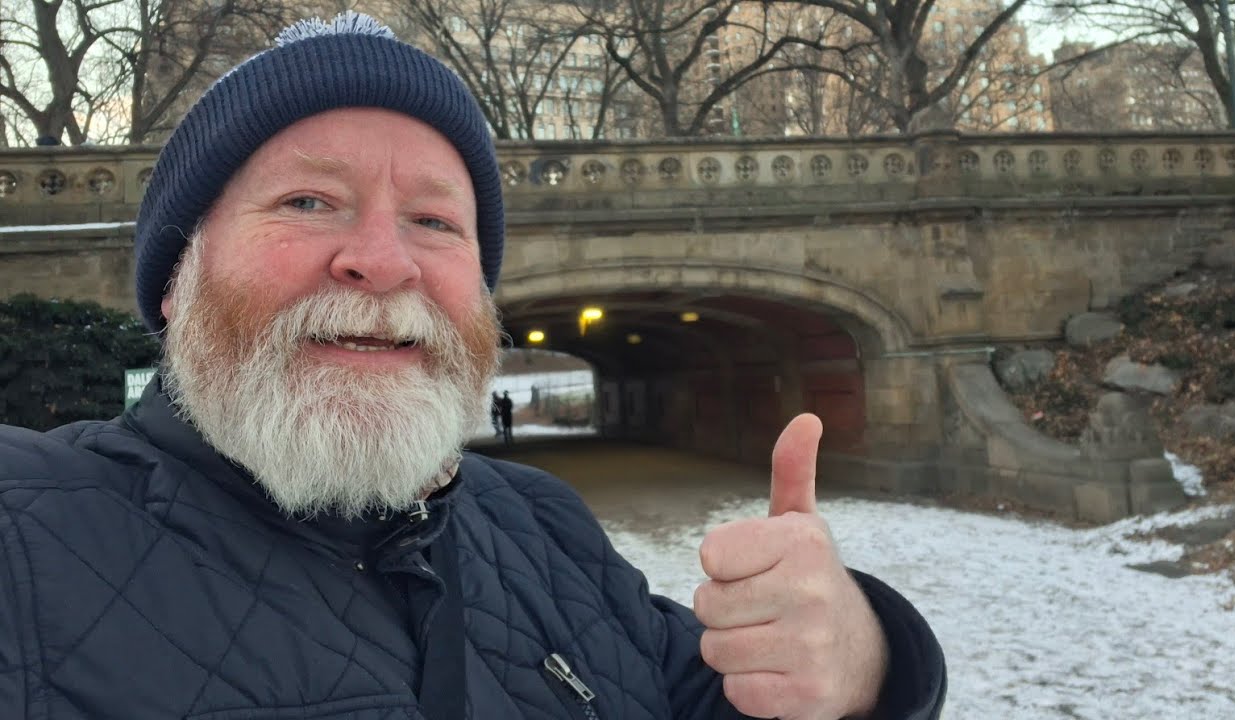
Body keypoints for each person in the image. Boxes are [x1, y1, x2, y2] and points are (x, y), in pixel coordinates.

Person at [0, 13, 945, 720]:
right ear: (175, 283)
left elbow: (701, 690)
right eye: (308, 200)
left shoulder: (541, 524)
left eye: (435, 220)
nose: (383, 259)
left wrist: (863, 658)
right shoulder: (27, 530)